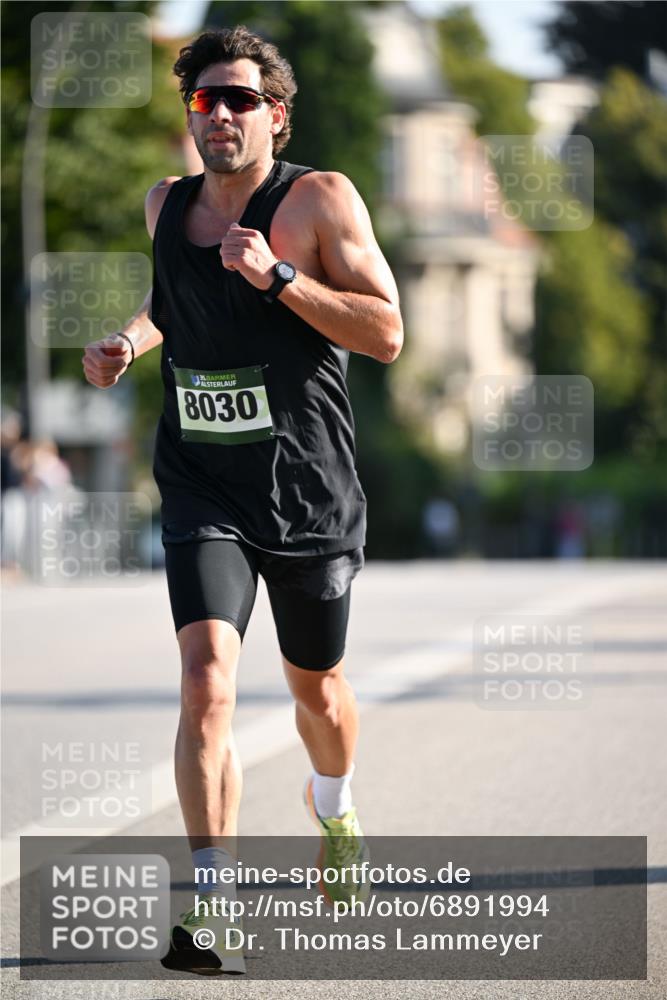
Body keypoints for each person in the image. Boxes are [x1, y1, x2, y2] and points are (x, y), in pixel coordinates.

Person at [82, 25, 403, 975]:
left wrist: (281, 277)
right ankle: (212, 907)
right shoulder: (164, 205)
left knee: (317, 693)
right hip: (201, 481)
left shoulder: (318, 201)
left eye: (238, 99)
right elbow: (170, 309)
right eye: (202, 100)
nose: (218, 114)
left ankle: (334, 808)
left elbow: (385, 331)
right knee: (205, 683)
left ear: (275, 114)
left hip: (305, 488)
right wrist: (127, 346)